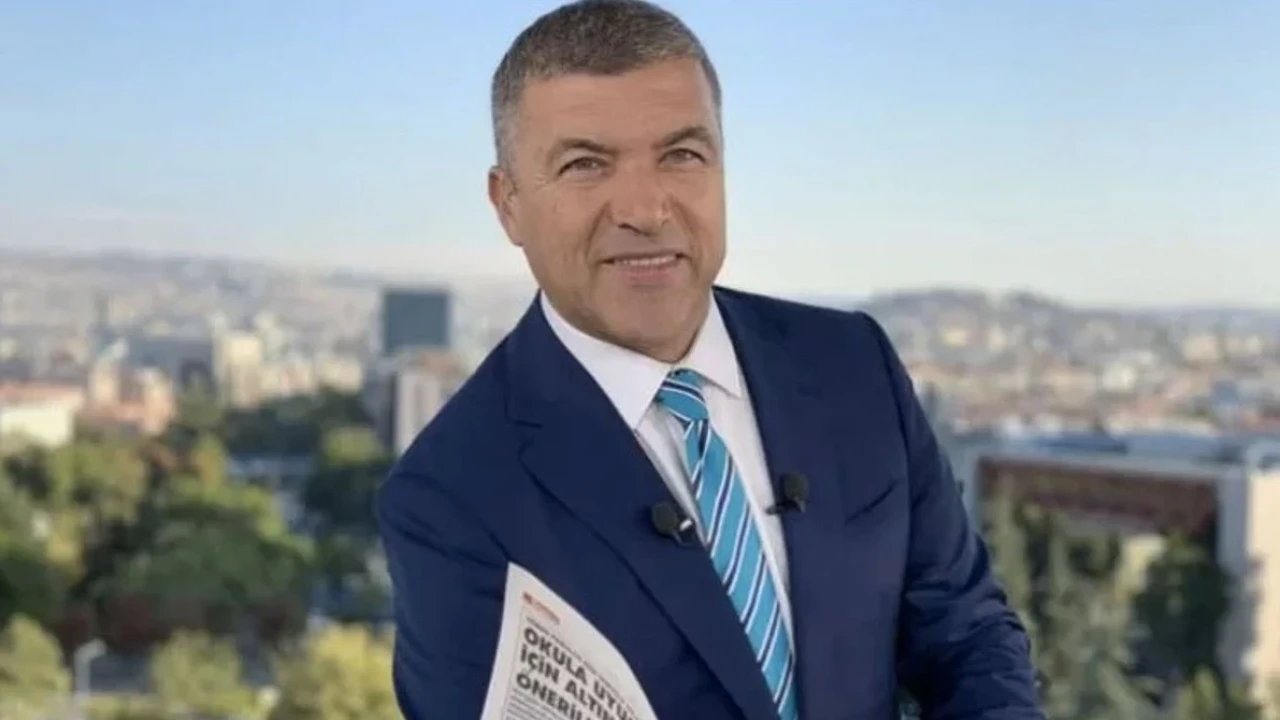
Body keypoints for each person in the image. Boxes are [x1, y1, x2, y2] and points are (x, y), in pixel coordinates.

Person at [375, 1, 1043, 718]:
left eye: (681, 155)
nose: (645, 209)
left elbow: (968, 636)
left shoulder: (854, 365)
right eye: (585, 165)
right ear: (507, 203)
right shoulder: (449, 500)